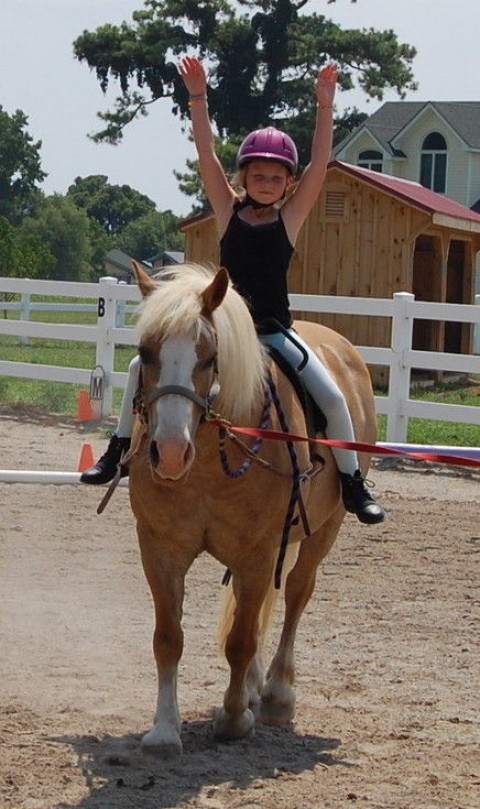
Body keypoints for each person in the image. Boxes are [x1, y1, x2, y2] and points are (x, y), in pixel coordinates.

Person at [81, 55, 384, 525]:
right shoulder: (228, 212)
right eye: (258, 175)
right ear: (244, 178)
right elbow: (206, 155)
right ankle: (119, 447)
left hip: (272, 331)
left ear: (288, 184)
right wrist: (198, 99)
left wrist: (325, 107)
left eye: (276, 177)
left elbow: (321, 163)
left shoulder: (289, 217)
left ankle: (352, 480)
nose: (267, 183)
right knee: (144, 365)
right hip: (220, 332)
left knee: (333, 395)